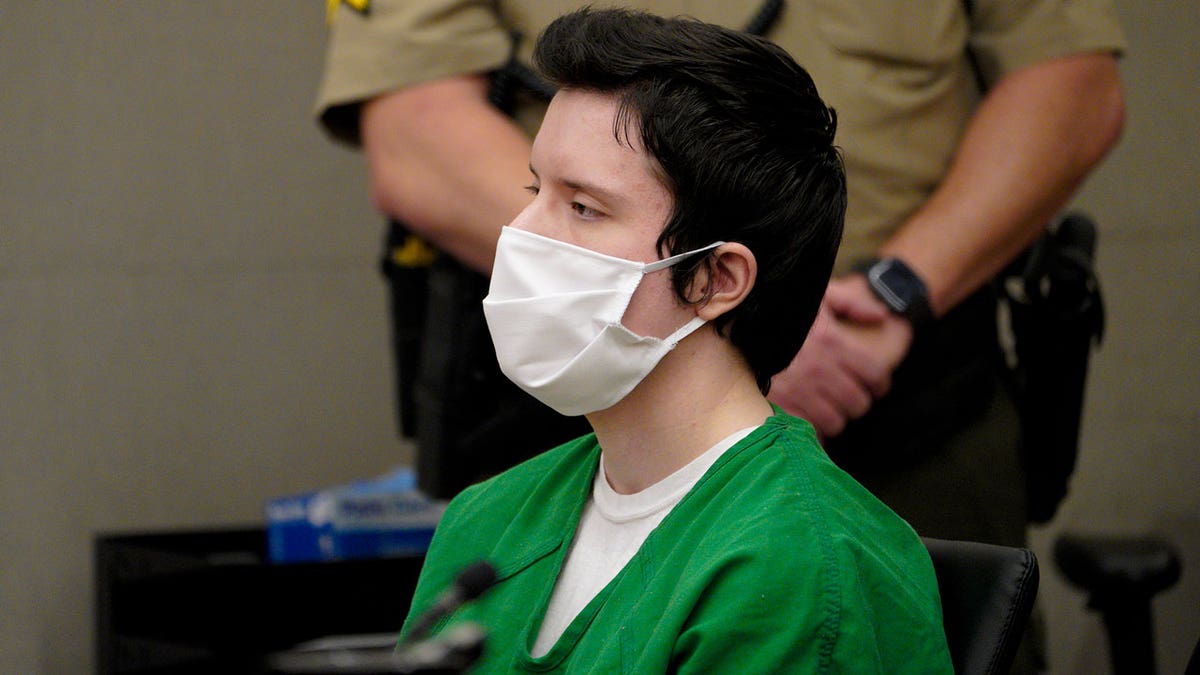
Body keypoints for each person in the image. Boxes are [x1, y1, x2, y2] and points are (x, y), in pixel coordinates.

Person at [316, 0, 1125, 546]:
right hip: (588, 397)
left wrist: (894, 295)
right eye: (536, 195)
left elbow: (1075, 85)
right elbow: (416, 132)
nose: (534, 222)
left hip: (909, 389)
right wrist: (683, 303)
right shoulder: (488, 527)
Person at [393, 9, 953, 672]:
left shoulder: (798, 567)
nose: (521, 233)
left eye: (582, 207)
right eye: (534, 188)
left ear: (716, 278)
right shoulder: (488, 520)